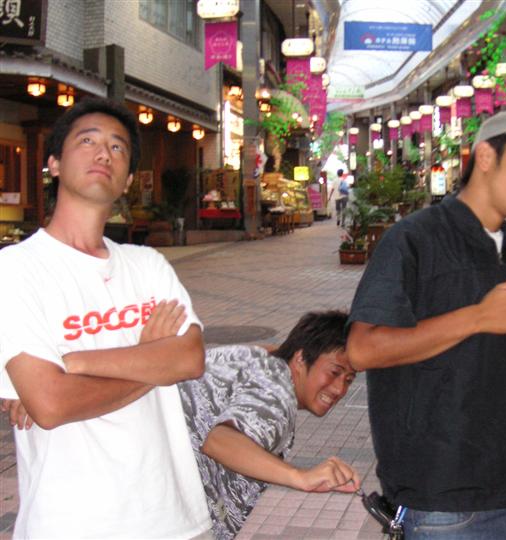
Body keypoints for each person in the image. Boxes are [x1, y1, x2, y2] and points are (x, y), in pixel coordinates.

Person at [346, 109, 506, 539]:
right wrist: (477, 317)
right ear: (486, 157)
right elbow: (363, 349)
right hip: (447, 504)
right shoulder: (415, 238)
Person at [0, 97, 211, 539]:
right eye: (88, 141)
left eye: (118, 147)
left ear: (128, 179)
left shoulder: (147, 264)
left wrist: (75, 362)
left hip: (174, 521)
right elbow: (51, 404)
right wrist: (150, 358)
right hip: (69, 525)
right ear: (54, 163)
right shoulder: (15, 270)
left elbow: (189, 358)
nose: (104, 153)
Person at [178, 310, 360, 540]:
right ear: (300, 359)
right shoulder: (277, 399)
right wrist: (300, 477)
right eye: (334, 372)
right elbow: (219, 441)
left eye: (349, 379)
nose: (339, 389)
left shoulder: (266, 358)